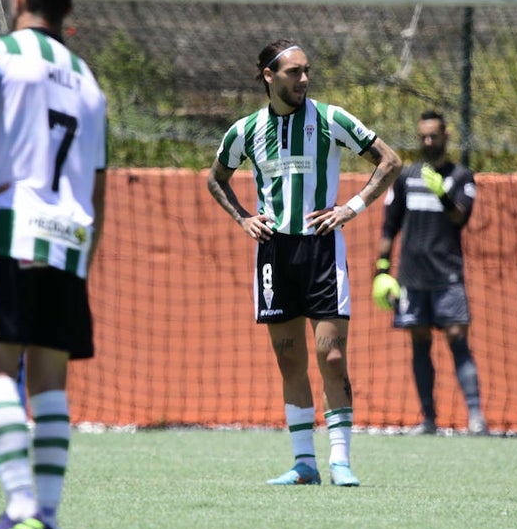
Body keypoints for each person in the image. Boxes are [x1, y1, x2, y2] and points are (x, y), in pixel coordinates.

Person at [0, 0, 107, 529]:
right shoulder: (90, 82)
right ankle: (46, 515)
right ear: (68, 9)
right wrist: (86, 257)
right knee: (49, 381)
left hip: (9, 231)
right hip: (68, 237)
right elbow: (97, 183)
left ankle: (19, 506)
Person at [207, 39, 402, 486]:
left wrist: (349, 208)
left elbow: (389, 161)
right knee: (289, 358)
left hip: (321, 248)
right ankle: (303, 464)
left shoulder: (331, 119)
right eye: (294, 72)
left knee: (331, 355)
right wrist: (243, 219)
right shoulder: (245, 131)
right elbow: (215, 180)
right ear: (268, 76)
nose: (304, 79)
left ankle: (340, 461)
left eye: (307, 71)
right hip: (275, 253)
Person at [372, 111, 487, 436]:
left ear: (445, 137)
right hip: (412, 278)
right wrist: (382, 270)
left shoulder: (461, 177)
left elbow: (459, 220)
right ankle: (429, 419)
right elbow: (389, 227)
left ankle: (476, 417)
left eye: (434, 136)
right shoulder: (406, 177)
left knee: (456, 337)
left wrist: (443, 194)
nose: (428, 142)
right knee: (419, 341)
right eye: (423, 136)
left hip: (447, 276)